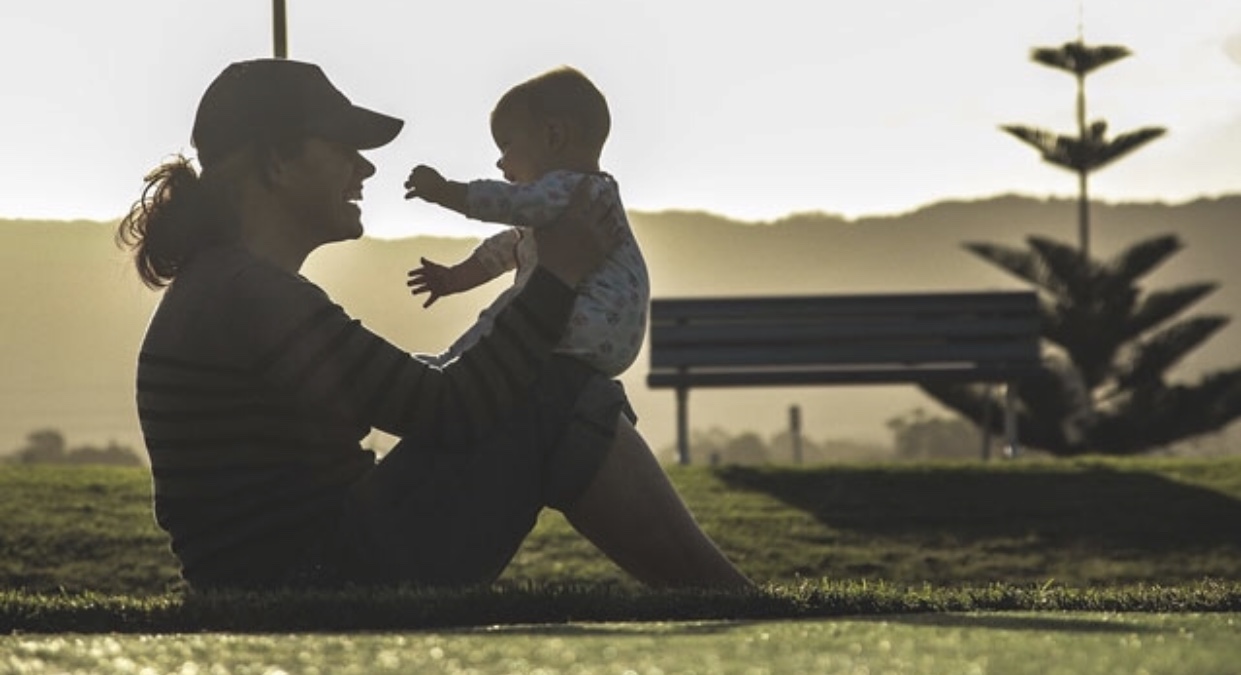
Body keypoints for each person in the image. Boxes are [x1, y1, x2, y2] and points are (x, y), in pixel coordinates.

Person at [116, 57, 751, 591]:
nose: (364, 170)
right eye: (345, 150)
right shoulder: (247, 296)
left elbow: (420, 397)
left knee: (553, 387)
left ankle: (726, 600)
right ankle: (735, 605)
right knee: (560, 391)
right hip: (320, 579)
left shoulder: (229, 288)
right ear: (277, 163)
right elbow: (448, 410)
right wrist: (558, 275)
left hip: (308, 568)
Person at [403, 66, 648, 378]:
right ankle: (452, 365)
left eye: (506, 146)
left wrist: (443, 191)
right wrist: (454, 279)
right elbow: (509, 248)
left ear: (553, 136)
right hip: (611, 338)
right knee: (517, 314)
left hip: (586, 319)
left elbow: (508, 203)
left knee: (508, 315)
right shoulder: (585, 199)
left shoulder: (573, 188)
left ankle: (452, 367)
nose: (499, 162)